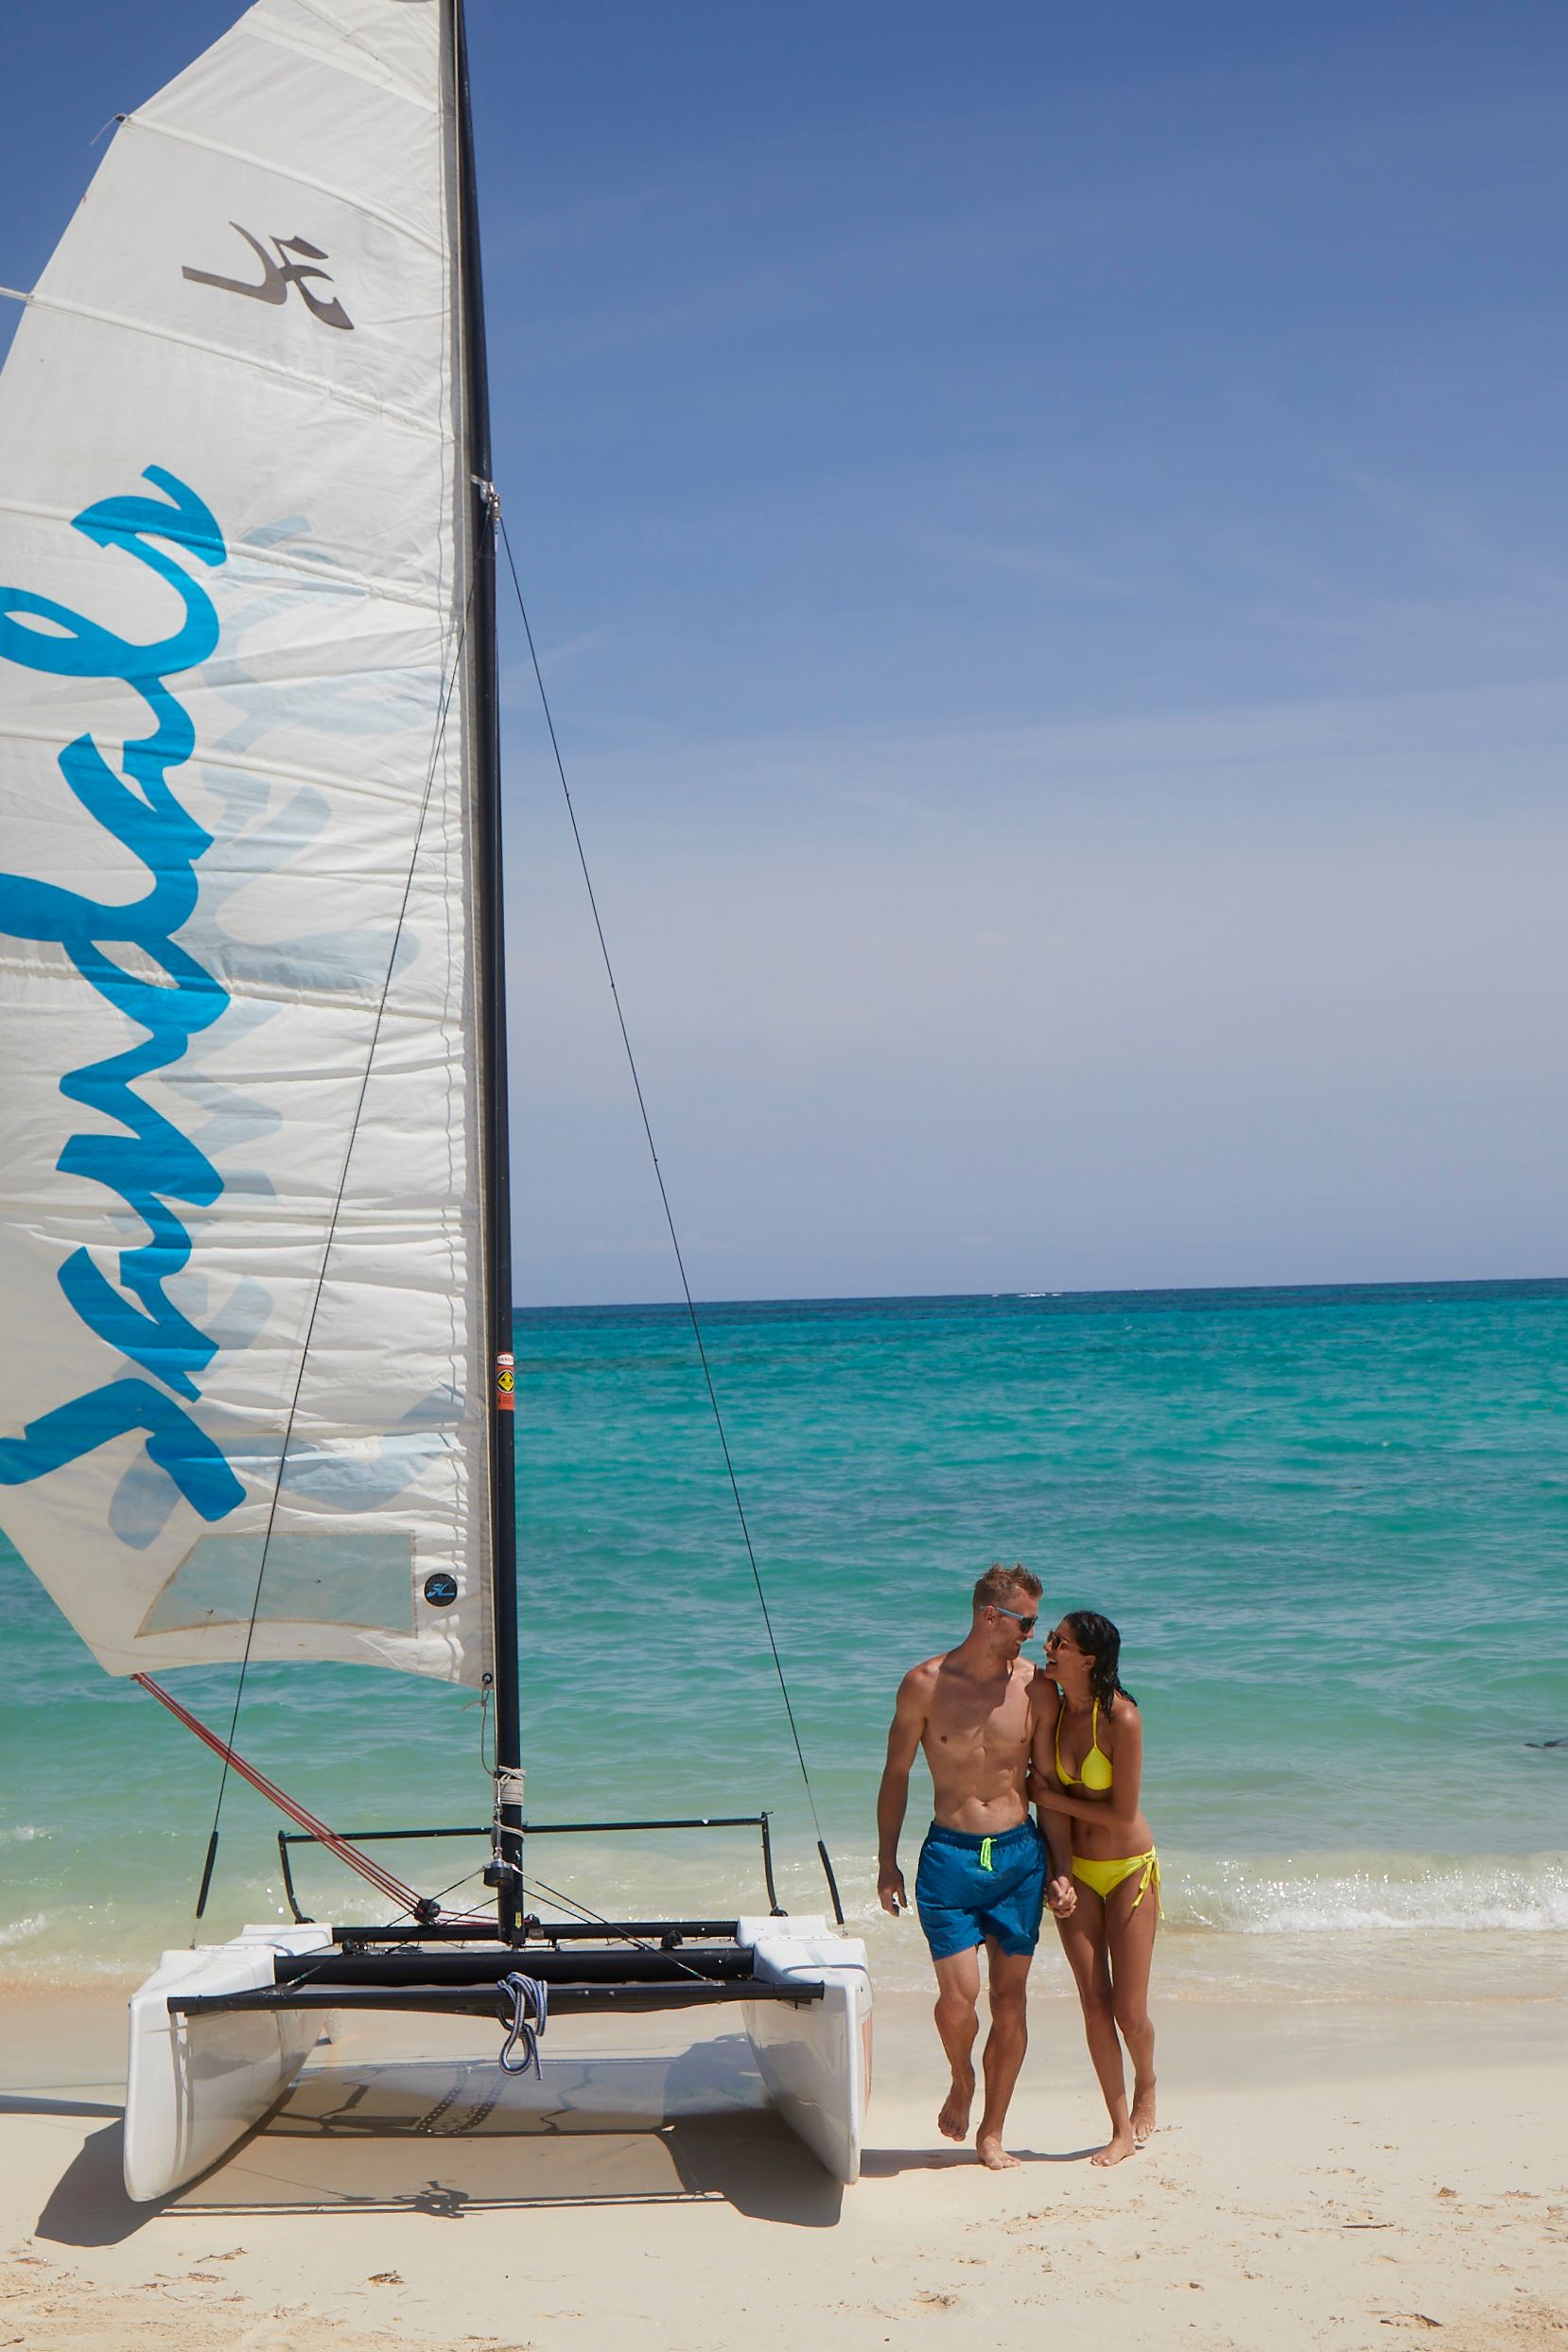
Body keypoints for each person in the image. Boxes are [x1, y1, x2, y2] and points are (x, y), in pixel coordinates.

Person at [877, 1563, 1076, 2169]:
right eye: (1028, 1622)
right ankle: (961, 2075)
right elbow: (895, 1774)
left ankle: (993, 2131)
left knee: (1010, 2001)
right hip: (950, 1858)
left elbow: (1045, 1784)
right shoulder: (924, 1685)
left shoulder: (1036, 1689)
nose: (1035, 1636)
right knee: (960, 1999)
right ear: (992, 1616)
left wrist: (1060, 1867)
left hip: (1018, 1857)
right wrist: (887, 1862)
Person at [1033, 1610, 1159, 2167]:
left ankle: (1148, 2082)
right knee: (1093, 2002)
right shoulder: (1055, 1713)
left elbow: (1120, 1811)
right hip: (1079, 1872)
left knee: (1129, 2011)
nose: (1049, 1646)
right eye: (1050, 1637)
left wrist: (1046, 1795)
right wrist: (1057, 1869)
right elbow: (1054, 1816)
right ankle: (1119, 2128)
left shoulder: (1122, 1719)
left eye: (1059, 1641)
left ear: (1089, 1658)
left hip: (1130, 1868)